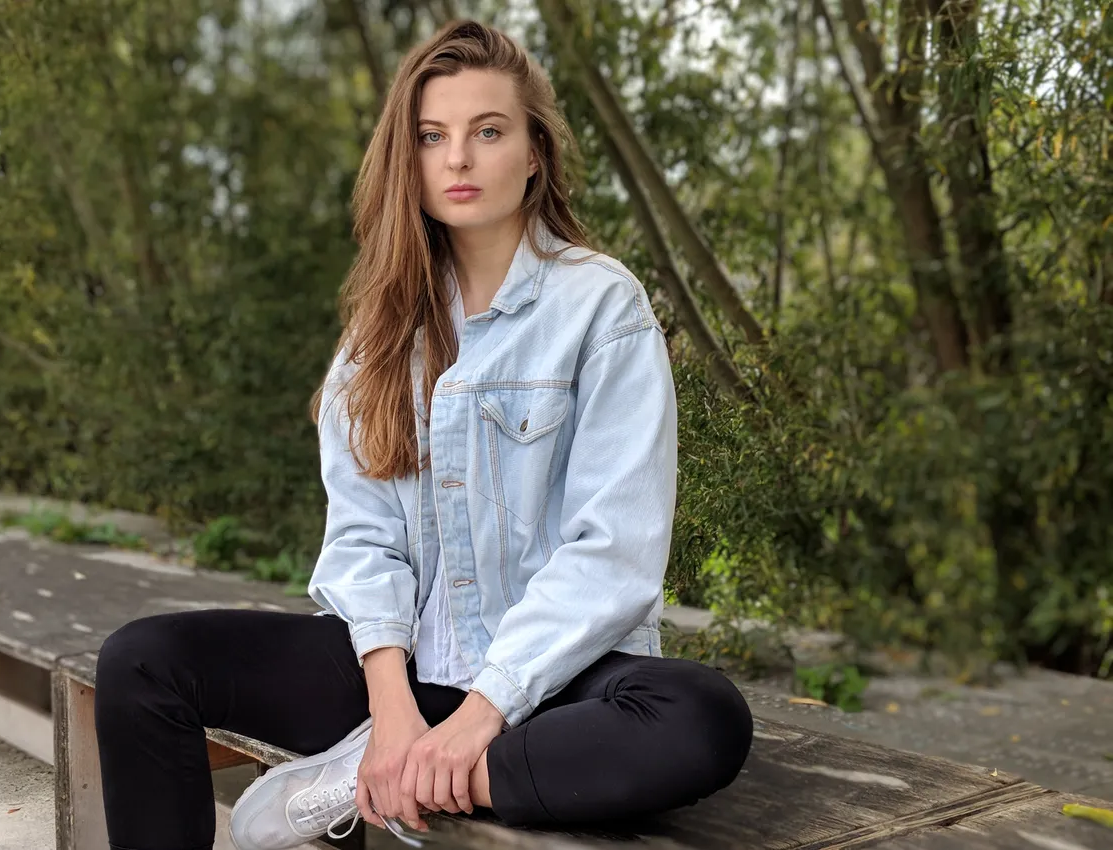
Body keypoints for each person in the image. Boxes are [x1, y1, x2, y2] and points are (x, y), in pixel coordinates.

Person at [93, 19, 753, 850]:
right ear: (408, 158)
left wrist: (482, 716)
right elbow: (363, 536)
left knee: (702, 716)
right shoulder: (381, 328)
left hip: (554, 684)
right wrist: (394, 709)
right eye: (433, 137)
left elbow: (613, 548)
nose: (459, 160)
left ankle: (403, 776)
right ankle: (407, 751)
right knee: (142, 662)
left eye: (488, 131)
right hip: (408, 672)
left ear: (535, 152)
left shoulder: (601, 307)